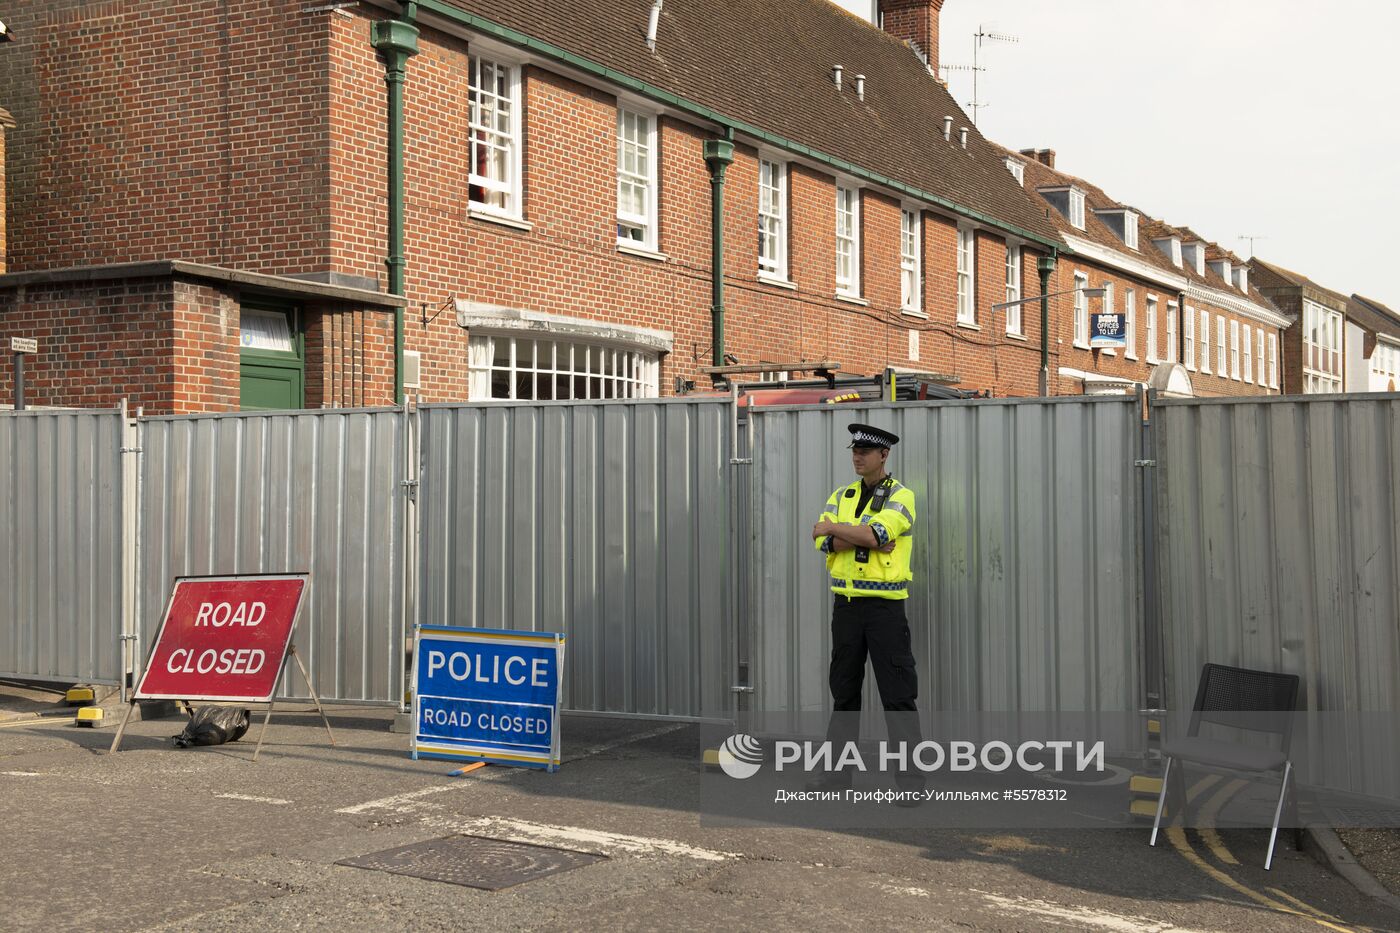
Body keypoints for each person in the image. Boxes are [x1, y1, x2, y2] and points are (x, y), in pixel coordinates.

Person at [809, 422, 924, 800]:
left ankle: (910, 785)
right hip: (846, 608)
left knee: (898, 696)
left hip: (885, 611)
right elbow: (821, 541)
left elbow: (877, 533)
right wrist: (855, 536)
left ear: (884, 455)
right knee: (844, 695)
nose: (857, 456)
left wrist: (840, 532)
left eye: (865, 452)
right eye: (854, 451)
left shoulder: (901, 496)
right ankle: (836, 778)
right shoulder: (841, 494)